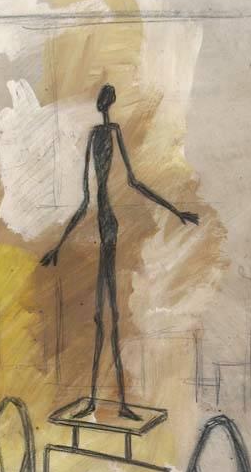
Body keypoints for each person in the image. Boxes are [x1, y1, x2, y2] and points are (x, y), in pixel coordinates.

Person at [41, 83, 199, 420]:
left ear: (106, 103)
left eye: (103, 100)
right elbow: (89, 198)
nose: (103, 104)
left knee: (109, 314)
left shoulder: (109, 133)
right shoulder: (99, 136)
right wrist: (58, 246)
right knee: (102, 316)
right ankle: (97, 400)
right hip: (102, 225)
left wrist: (176, 211)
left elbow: (131, 182)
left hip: (109, 227)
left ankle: (117, 401)